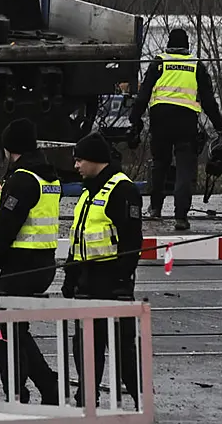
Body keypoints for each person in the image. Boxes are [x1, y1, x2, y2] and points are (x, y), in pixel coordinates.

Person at [62, 130, 142, 409]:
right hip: (87, 281)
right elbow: (79, 239)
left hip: (112, 283)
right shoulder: (88, 192)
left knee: (123, 352)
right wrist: (70, 278)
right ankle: (87, 401)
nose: (76, 166)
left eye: (79, 160)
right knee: (84, 348)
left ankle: (141, 401)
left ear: (95, 160)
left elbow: (132, 241)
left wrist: (121, 279)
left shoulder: (123, 190)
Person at [0, 118, 61, 405]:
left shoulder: (23, 178)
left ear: (9, 148)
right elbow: (29, 213)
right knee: (16, 327)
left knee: (4, 328)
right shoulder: (47, 176)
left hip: (21, 264)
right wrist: (2, 196)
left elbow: (7, 224)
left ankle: (18, 392)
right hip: (44, 261)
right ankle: (47, 386)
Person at [129, 28, 222, 230]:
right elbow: (208, 100)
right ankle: (180, 217)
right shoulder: (195, 64)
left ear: (168, 44)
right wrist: (218, 125)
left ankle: (155, 208)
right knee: (184, 169)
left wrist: (134, 119)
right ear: (187, 45)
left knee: (160, 164)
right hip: (186, 122)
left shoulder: (159, 62)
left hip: (160, 120)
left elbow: (143, 94)